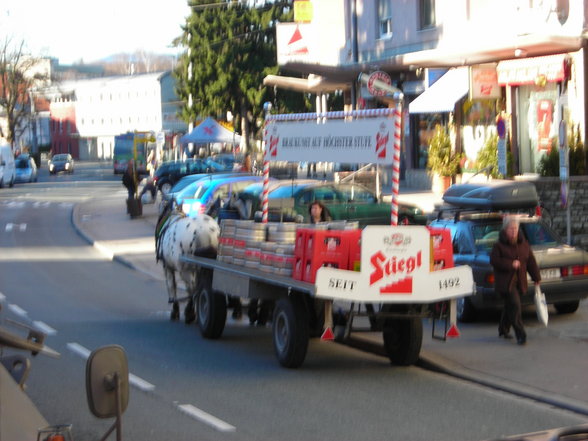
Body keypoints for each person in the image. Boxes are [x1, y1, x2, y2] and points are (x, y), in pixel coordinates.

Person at [490, 217, 541, 345]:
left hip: (520, 280)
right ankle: (521, 334)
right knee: (515, 305)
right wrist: (510, 264)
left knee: (510, 306)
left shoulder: (524, 244)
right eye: (511, 229)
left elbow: (530, 261)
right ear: (505, 230)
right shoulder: (498, 245)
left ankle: (503, 329)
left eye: (515, 229)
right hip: (506, 282)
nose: (513, 232)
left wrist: (536, 277)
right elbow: (494, 261)